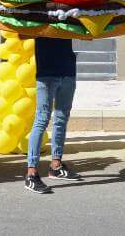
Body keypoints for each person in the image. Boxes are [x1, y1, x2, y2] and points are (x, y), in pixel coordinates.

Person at [24, 36, 82, 194]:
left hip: (68, 71)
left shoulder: (68, 12)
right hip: (47, 73)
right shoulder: (38, 13)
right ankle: (31, 174)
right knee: (42, 120)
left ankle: (56, 166)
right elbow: (21, 33)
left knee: (61, 119)